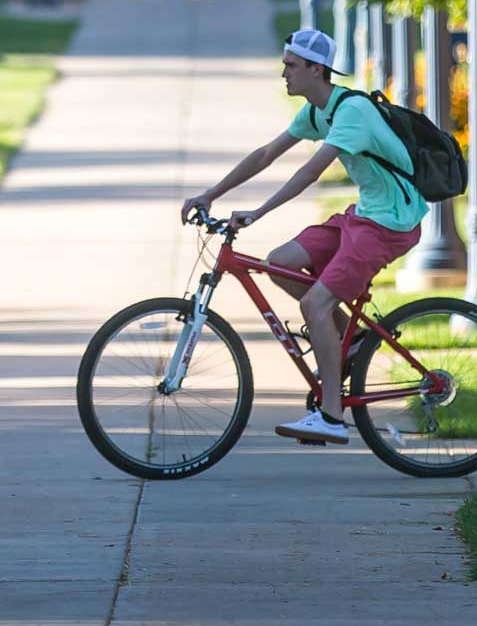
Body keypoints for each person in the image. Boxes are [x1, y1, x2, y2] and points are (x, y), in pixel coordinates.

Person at [179, 27, 427, 445]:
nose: (284, 74)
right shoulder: (316, 110)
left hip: (390, 224)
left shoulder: (352, 111)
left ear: (317, 69)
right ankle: (350, 341)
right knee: (281, 262)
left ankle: (331, 416)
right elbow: (265, 155)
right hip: (364, 215)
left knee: (315, 303)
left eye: (291, 66)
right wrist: (211, 193)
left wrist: (257, 212)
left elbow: (311, 171)